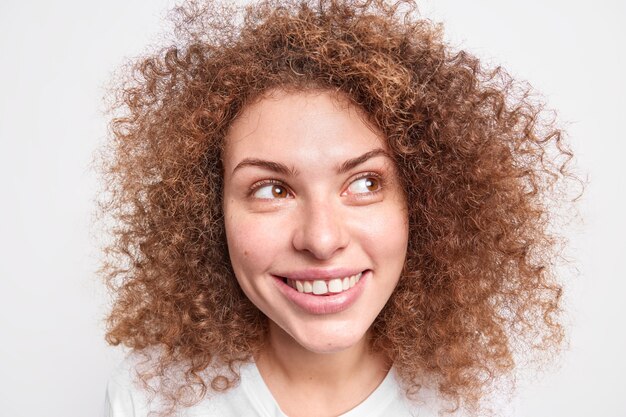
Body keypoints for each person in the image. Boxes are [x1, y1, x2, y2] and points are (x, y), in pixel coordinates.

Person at [100, 1, 578, 416]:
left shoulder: (474, 399)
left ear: (425, 204)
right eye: (271, 190)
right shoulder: (152, 396)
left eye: (365, 182)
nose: (322, 240)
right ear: (208, 214)